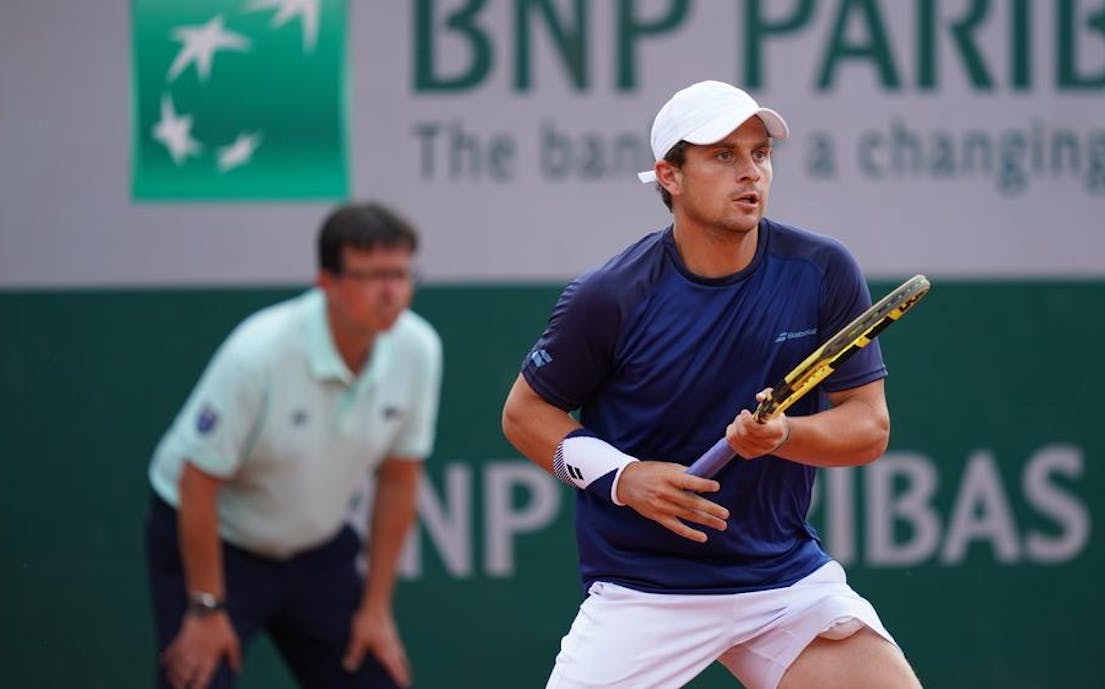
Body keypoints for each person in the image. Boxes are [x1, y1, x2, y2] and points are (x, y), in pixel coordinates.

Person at [501, 80, 922, 689]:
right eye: (723, 155)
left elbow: (867, 428)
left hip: (782, 583)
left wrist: (782, 436)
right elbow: (525, 415)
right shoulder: (610, 295)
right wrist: (625, 478)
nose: (749, 172)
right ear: (669, 176)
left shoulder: (822, 270)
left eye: (760, 153)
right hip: (645, 589)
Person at [145, 202, 442, 689]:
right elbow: (196, 483)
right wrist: (204, 608)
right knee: (194, 679)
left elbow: (399, 479)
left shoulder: (419, 349)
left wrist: (376, 610)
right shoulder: (258, 353)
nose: (391, 293)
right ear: (326, 281)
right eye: (372, 277)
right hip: (216, 546)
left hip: (315, 549)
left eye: (401, 275)